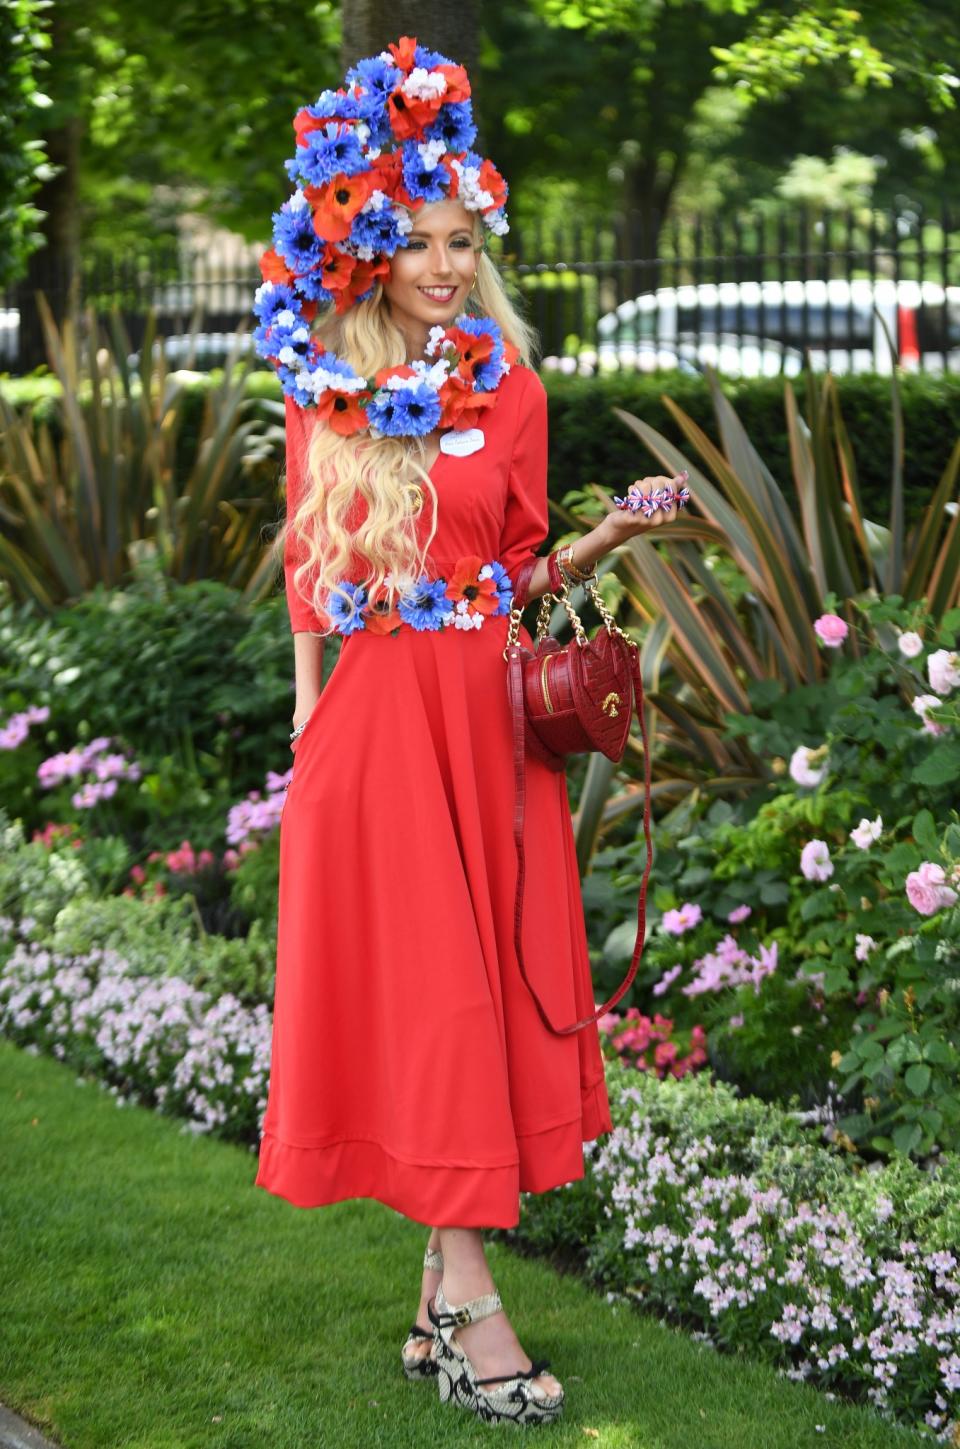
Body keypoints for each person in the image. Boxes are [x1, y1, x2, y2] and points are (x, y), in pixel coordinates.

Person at [250, 36, 691, 1429]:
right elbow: (310, 587)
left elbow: (519, 572)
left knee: (477, 1004)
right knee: (432, 1006)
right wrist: (308, 739)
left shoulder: (517, 390)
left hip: (490, 725)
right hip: (381, 735)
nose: (445, 262)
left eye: (463, 238)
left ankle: (443, 1298)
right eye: (419, 240)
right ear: (374, 246)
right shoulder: (326, 383)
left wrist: (608, 531)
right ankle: (471, 1313)